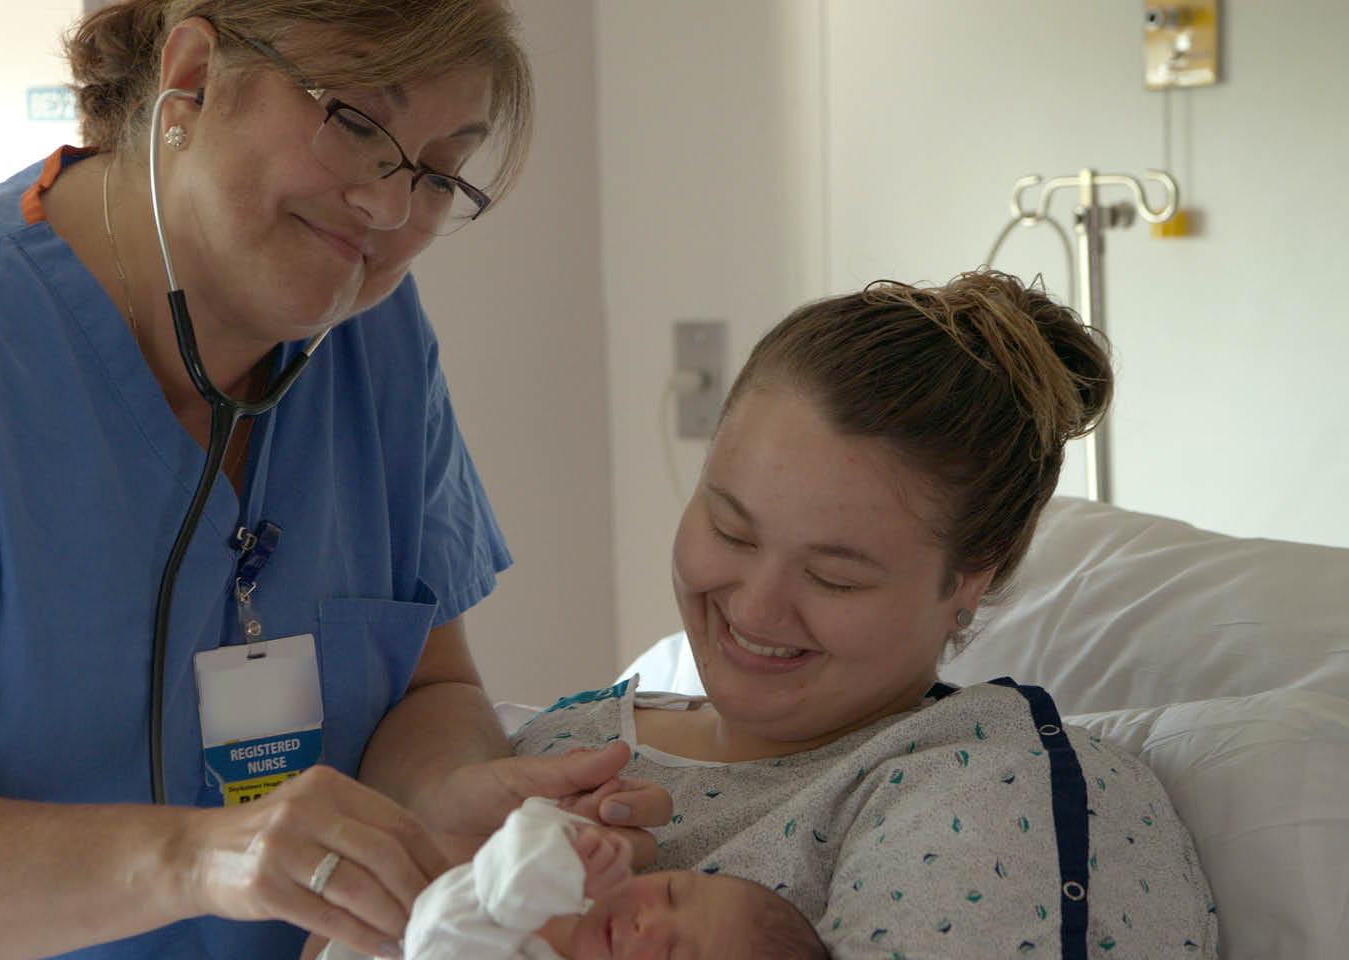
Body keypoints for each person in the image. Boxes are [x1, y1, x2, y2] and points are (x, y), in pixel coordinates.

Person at [0, 2, 670, 958]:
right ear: (192, 76)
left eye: (438, 170)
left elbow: (430, 690)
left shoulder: (367, 346)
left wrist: (445, 795)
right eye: (357, 123)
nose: (392, 208)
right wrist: (197, 856)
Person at [511, 271, 1219, 956]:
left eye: (834, 577)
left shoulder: (998, 796)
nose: (755, 607)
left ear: (973, 575)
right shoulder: (562, 747)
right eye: (731, 530)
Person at [317, 796, 827, 959]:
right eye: (671, 890)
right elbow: (532, 816)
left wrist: (535, 884)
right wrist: (574, 849)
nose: (647, 919)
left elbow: (436, 938)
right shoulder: (582, 884)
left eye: (674, 956)